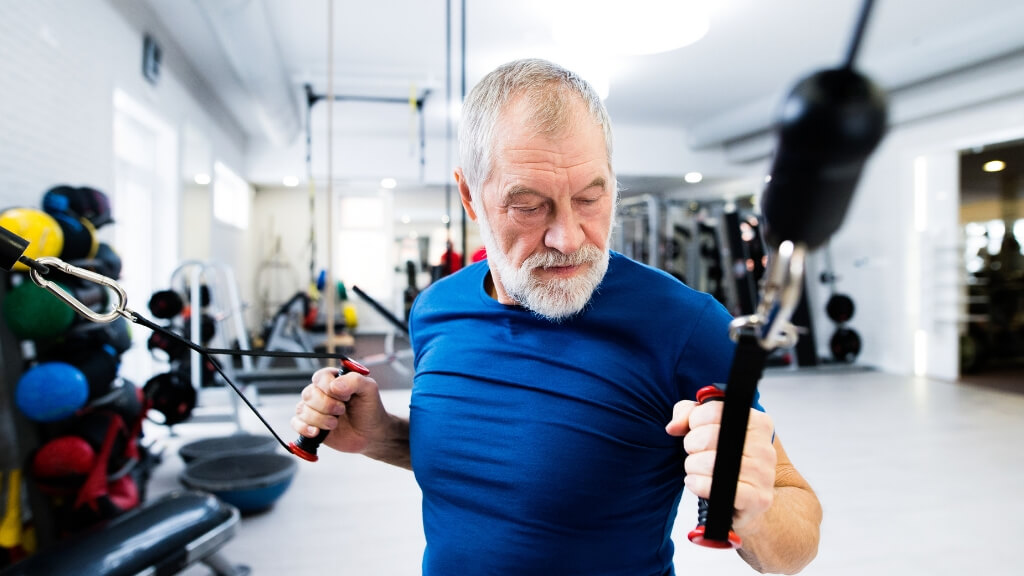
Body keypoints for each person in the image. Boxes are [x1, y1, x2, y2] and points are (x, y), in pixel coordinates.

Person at [292, 58, 822, 575]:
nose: (568, 238)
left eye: (591, 198)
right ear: (470, 196)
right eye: (529, 206)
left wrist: (758, 511)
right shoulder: (435, 310)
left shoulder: (684, 326)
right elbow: (488, 468)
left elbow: (798, 538)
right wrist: (378, 435)